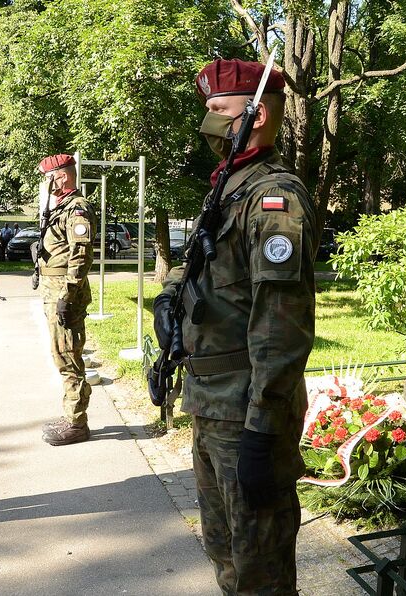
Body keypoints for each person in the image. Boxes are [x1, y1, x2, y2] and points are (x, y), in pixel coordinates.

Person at [153, 59, 317, 594]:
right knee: (224, 548)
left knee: (260, 566)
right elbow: (200, 266)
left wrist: (265, 427)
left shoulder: (275, 199)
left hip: (246, 406)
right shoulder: (227, 188)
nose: (208, 122)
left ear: (258, 114)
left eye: (218, 111)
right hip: (210, 400)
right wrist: (169, 301)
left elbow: (281, 323)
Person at [36, 153, 97, 446]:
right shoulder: (59, 207)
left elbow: (81, 255)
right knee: (61, 354)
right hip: (54, 289)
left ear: (61, 176)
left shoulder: (77, 209)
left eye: (46, 177)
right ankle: (71, 414)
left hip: (64, 292)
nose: (44, 183)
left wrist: (68, 295)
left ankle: (77, 422)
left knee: (68, 356)